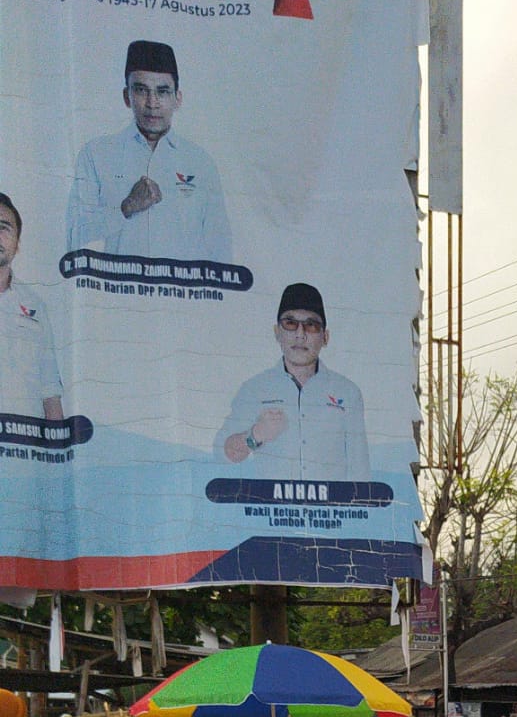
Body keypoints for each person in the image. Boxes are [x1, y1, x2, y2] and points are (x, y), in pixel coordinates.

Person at [67, 40, 231, 261]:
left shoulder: (199, 162)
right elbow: (74, 234)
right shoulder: (97, 154)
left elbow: (219, 246)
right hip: (117, 289)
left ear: (177, 98)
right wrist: (126, 208)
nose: (152, 103)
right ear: (127, 96)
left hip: (181, 291)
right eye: (141, 90)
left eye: (162, 92)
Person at [215, 282, 371, 482]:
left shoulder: (347, 392)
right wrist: (255, 435)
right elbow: (222, 454)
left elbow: (360, 470)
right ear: (276, 332)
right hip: (271, 512)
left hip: (331, 513)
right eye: (290, 323)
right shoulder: (255, 389)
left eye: (311, 325)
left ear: (325, 337)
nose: (300, 334)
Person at [0, 192, 64, 421]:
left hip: (25, 448)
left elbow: (50, 393)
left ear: (17, 243)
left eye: (4, 227)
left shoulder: (34, 305)